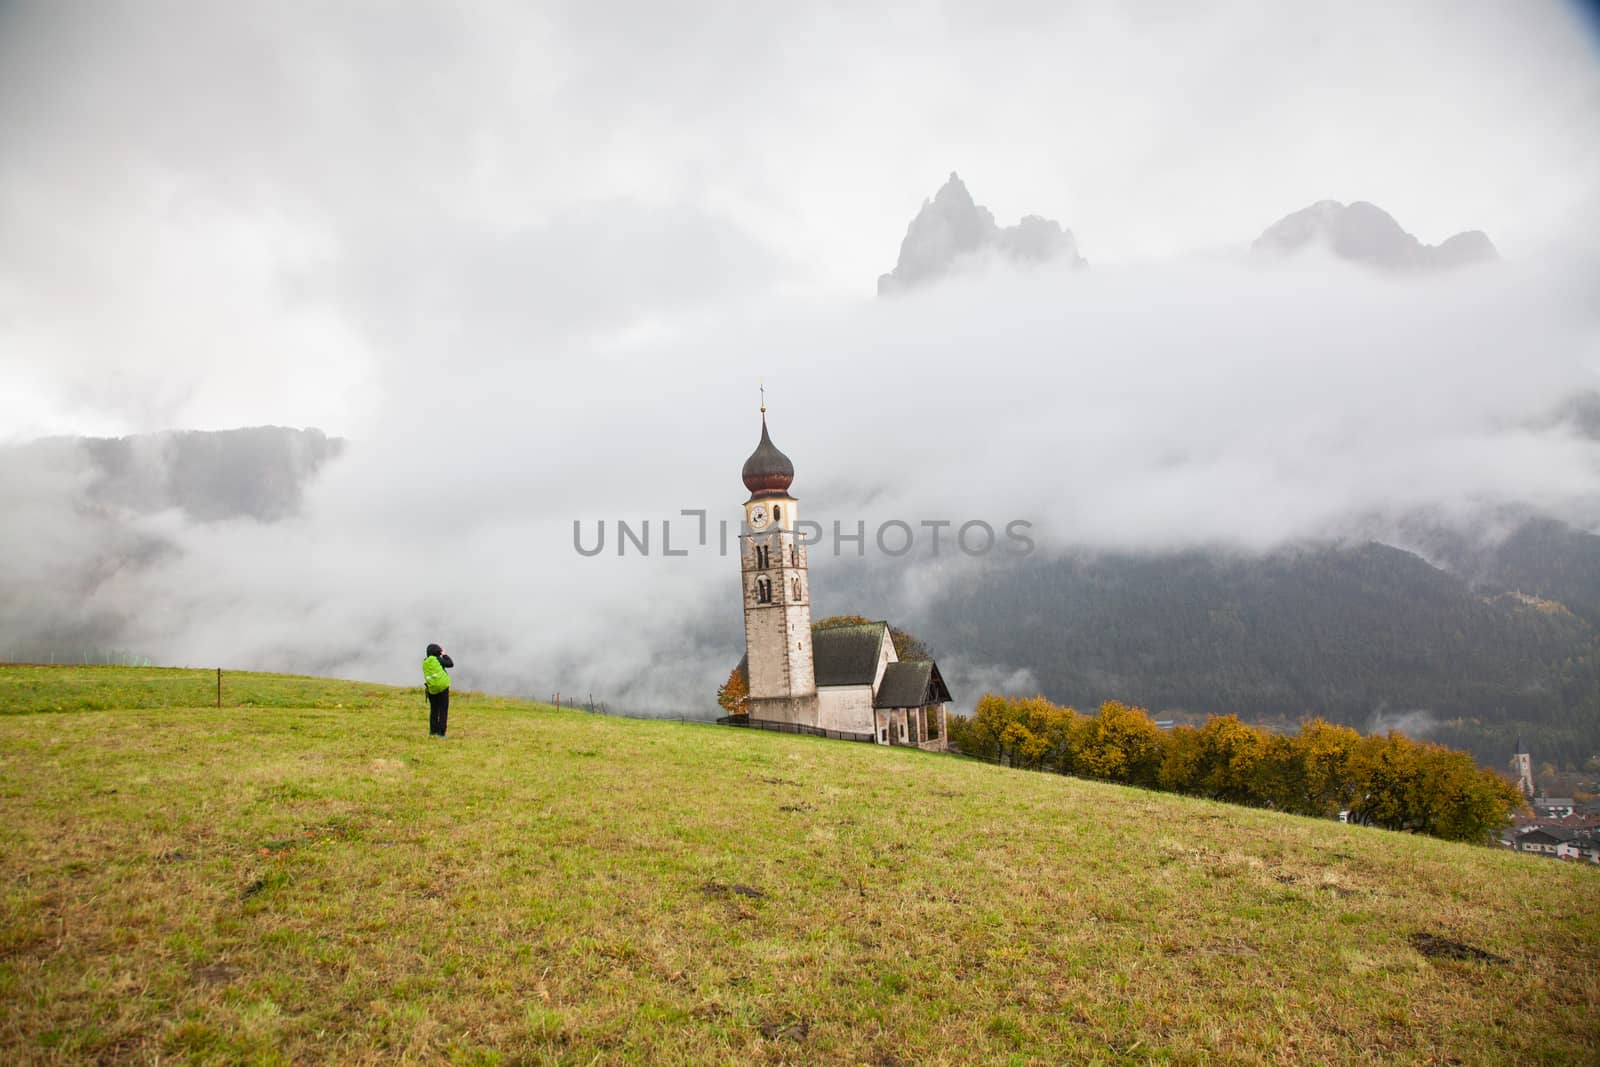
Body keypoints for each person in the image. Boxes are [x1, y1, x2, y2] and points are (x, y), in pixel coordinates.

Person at [422, 643, 454, 737]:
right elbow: (450, 664)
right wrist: (444, 655)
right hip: (443, 687)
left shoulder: (425, 662)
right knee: (443, 710)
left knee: (434, 710)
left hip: (431, 688)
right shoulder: (438, 659)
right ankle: (441, 733)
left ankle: (433, 732)